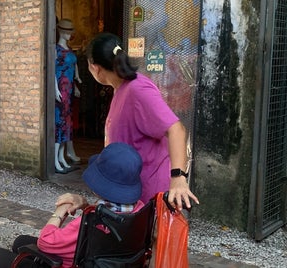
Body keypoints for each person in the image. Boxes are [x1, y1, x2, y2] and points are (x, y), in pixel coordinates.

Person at [58, 32, 199, 211]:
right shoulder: (121, 89)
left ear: (94, 68)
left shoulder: (138, 89)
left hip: (150, 197)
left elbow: (176, 129)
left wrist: (178, 178)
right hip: (130, 197)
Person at [0, 142, 145, 268]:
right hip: (104, 258)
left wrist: (60, 211)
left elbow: (45, 241)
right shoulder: (140, 210)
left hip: (74, 261)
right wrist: (85, 205)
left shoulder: (92, 221)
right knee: (21, 241)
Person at [54, 18, 83, 173]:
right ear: (61, 31)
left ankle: (62, 157)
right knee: (60, 123)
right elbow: (52, 71)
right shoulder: (56, 50)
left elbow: (74, 65)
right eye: (67, 31)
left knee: (67, 124)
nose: (69, 34)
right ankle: (55, 160)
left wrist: (77, 82)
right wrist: (55, 89)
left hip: (69, 90)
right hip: (61, 90)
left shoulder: (69, 49)